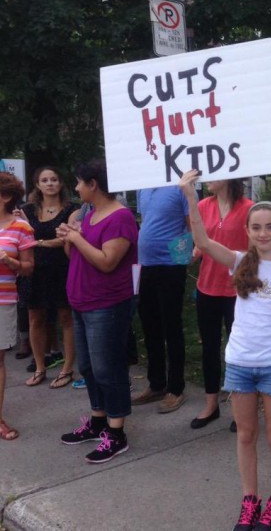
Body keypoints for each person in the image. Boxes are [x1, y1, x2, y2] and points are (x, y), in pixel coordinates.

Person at [179, 169, 271, 531]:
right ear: (248, 231)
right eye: (256, 227)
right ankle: (250, 500)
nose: (263, 233)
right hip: (240, 362)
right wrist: (192, 197)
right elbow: (205, 242)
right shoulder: (240, 262)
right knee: (245, 434)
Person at [57, 160, 138, 463]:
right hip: (82, 301)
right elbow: (75, 254)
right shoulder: (89, 215)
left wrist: (77, 238)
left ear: (93, 184)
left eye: (79, 182)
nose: (76, 188)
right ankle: (98, 420)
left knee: (109, 368)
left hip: (107, 304)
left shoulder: (121, 217)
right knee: (89, 367)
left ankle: (117, 433)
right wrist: (70, 237)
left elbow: (107, 261)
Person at [191, 178, 253, 429]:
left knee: (238, 351)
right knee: (209, 348)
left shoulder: (248, 207)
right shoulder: (204, 205)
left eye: (212, 174)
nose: (206, 179)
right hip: (206, 287)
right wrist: (194, 251)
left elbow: (254, 251)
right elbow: (200, 241)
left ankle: (240, 409)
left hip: (236, 292)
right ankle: (211, 404)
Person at [132, 184, 191, 413]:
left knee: (171, 327)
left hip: (170, 266)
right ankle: (156, 384)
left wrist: (183, 258)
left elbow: (191, 225)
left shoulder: (181, 187)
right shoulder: (143, 189)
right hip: (145, 265)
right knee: (150, 326)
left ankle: (176, 388)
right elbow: (146, 220)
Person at [20, 166, 78, 388]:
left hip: (61, 268)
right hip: (34, 270)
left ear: (61, 183)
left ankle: (67, 369)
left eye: (54, 179)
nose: (50, 183)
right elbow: (20, 235)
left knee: (65, 317)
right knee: (36, 318)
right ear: (37, 185)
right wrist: (42, 243)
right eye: (44, 180)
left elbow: (68, 238)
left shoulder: (72, 209)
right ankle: (39, 367)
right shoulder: (26, 209)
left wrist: (38, 242)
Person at [0, 171, 35, 440]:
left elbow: (28, 269)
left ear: (6, 197)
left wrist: (11, 263)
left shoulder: (21, 228)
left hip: (3, 300)